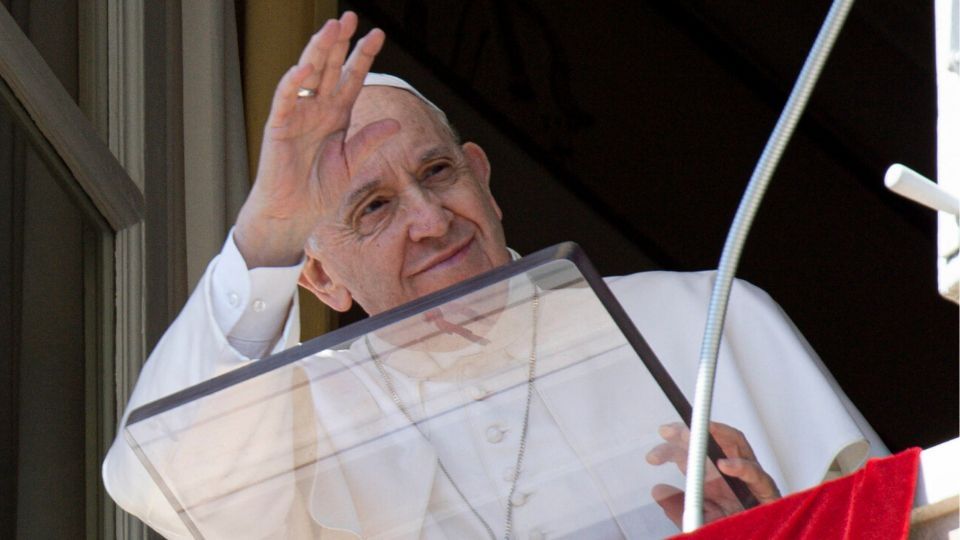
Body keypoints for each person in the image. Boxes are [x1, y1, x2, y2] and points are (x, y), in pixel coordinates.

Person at [103, 12, 886, 539]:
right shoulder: (290, 423)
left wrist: (785, 524)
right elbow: (154, 477)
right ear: (321, 278)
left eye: (437, 173)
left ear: (484, 178)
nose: (431, 220)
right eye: (373, 207)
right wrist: (269, 226)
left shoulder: (703, 320)